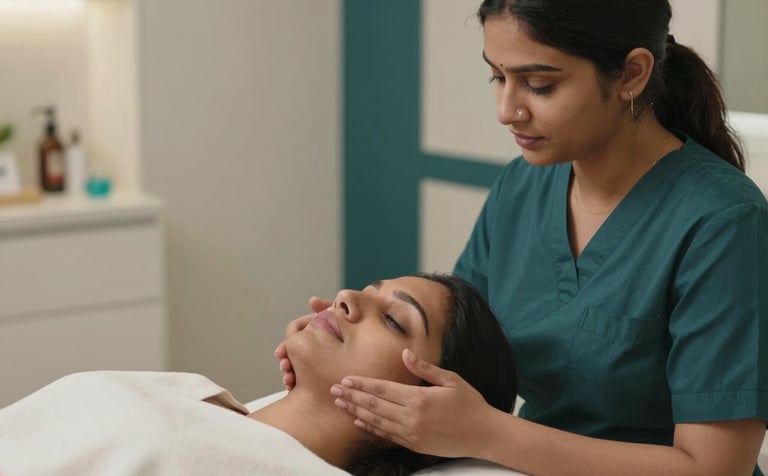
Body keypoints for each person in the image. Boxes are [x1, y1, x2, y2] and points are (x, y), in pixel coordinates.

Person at [276, 1, 768, 475]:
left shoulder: (722, 222)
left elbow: (715, 469)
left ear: (631, 74)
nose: (507, 110)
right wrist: (338, 355)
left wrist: (488, 433)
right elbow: (458, 353)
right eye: (498, 76)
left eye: (538, 85)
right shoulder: (522, 186)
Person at [0, 273, 516, 476]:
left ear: (429, 407)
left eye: (394, 320)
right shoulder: (192, 391)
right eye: (367, 289)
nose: (345, 298)